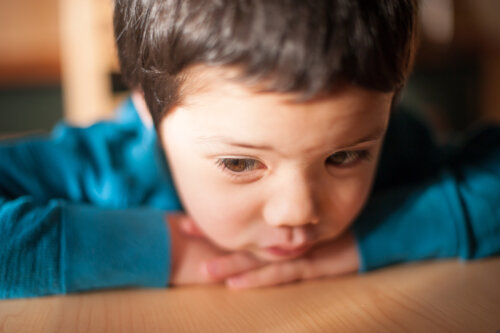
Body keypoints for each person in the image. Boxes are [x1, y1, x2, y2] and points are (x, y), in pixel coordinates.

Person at [1, 0, 499, 299]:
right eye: (239, 162)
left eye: (344, 157)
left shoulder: (394, 144)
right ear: (149, 116)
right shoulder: (106, 169)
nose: (297, 212)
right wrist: (163, 250)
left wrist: (367, 239)